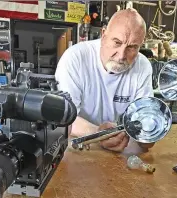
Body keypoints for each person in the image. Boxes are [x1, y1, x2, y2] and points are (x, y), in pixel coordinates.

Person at [55, 9, 154, 153]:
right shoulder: (75, 58)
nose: (121, 55)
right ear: (103, 35)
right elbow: (64, 119)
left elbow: (144, 120)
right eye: (117, 42)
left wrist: (148, 135)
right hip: (78, 147)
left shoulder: (143, 66)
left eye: (132, 47)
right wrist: (98, 133)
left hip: (118, 148)